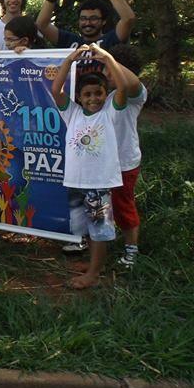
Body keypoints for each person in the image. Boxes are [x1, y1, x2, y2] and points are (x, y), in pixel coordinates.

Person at [50, 44, 128, 289]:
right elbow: (56, 88)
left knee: (99, 230)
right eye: (87, 94)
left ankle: (93, 274)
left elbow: (123, 86)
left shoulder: (110, 112)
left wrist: (107, 58)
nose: (93, 98)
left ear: (106, 94)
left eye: (98, 93)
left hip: (98, 184)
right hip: (76, 181)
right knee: (86, 229)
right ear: (79, 98)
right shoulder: (72, 113)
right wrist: (70, 60)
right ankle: (94, 265)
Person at [105, 45, 146, 268]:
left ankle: (131, 250)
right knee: (101, 206)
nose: (106, 73)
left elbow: (130, 82)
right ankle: (102, 242)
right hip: (102, 163)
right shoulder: (108, 94)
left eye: (110, 69)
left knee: (123, 206)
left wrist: (107, 56)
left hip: (124, 163)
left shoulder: (134, 95)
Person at [37, 0, 136, 50]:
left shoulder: (111, 39)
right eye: (83, 19)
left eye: (93, 18)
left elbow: (128, 18)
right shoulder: (69, 41)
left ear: (104, 21)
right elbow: (42, 25)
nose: (87, 23)